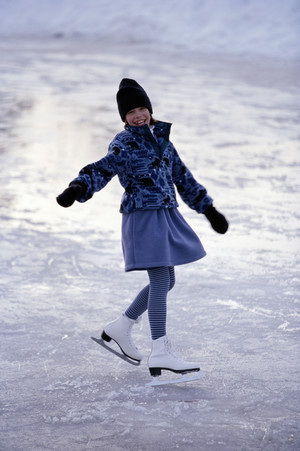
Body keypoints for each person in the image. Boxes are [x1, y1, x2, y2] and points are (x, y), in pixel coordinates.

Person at [57, 78, 229, 378]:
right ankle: (160, 351)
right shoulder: (125, 143)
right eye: (131, 112)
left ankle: (121, 326)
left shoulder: (163, 140)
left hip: (165, 214)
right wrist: (77, 187)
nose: (138, 115)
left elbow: (183, 177)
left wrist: (209, 209)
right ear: (123, 117)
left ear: (149, 109)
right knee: (162, 279)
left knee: (167, 280)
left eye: (141, 108)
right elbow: (103, 168)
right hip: (142, 216)